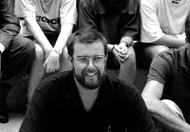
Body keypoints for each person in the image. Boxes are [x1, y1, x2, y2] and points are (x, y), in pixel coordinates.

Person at [21, 28, 156, 132]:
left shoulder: (127, 94)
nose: (91, 66)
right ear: (70, 60)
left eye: (97, 58)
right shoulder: (48, 91)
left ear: (105, 59)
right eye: (83, 59)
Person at [15, 0, 75, 104]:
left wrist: (56, 51)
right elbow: (30, 21)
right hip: (31, 34)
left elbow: (68, 25)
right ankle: (31, 103)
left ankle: (66, 104)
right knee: (39, 52)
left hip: (57, 34)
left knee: (66, 53)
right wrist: (50, 50)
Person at [79, 0, 140, 84]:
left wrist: (123, 45)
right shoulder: (88, 0)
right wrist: (111, 48)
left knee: (129, 55)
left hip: (120, 46)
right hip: (94, 45)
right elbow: (88, 34)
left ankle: (124, 97)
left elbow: (131, 30)